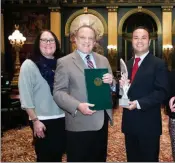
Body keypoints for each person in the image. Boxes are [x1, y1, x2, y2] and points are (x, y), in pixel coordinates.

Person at [53, 25, 114, 162]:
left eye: (90, 38)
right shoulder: (64, 62)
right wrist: (78, 105)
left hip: (101, 122)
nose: (87, 41)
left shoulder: (103, 60)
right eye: (83, 37)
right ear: (75, 39)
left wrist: (112, 82)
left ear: (95, 42)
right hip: (79, 123)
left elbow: (112, 86)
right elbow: (58, 92)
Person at [119, 26, 169, 162]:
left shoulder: (158, 64)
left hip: (148, 125)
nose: (139, 41)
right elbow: (125, 92)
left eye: (143, 38)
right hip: (130, 124)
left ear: (149, 41)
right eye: (136, 38)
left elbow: (162, 92)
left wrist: (139, 103)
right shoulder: (127, 64)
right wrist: (121, 87)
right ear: (131, 41)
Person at [18, 30, 65, 162]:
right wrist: (35, 121)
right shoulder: (29, 64)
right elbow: (25, 96)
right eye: (44, 40)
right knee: (45, 157)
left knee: (57, 156)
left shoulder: (61, 64)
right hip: (42, 120)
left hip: (62, 118)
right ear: (38, 43)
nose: (48, 43)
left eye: (51, 40)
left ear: (56, 43)